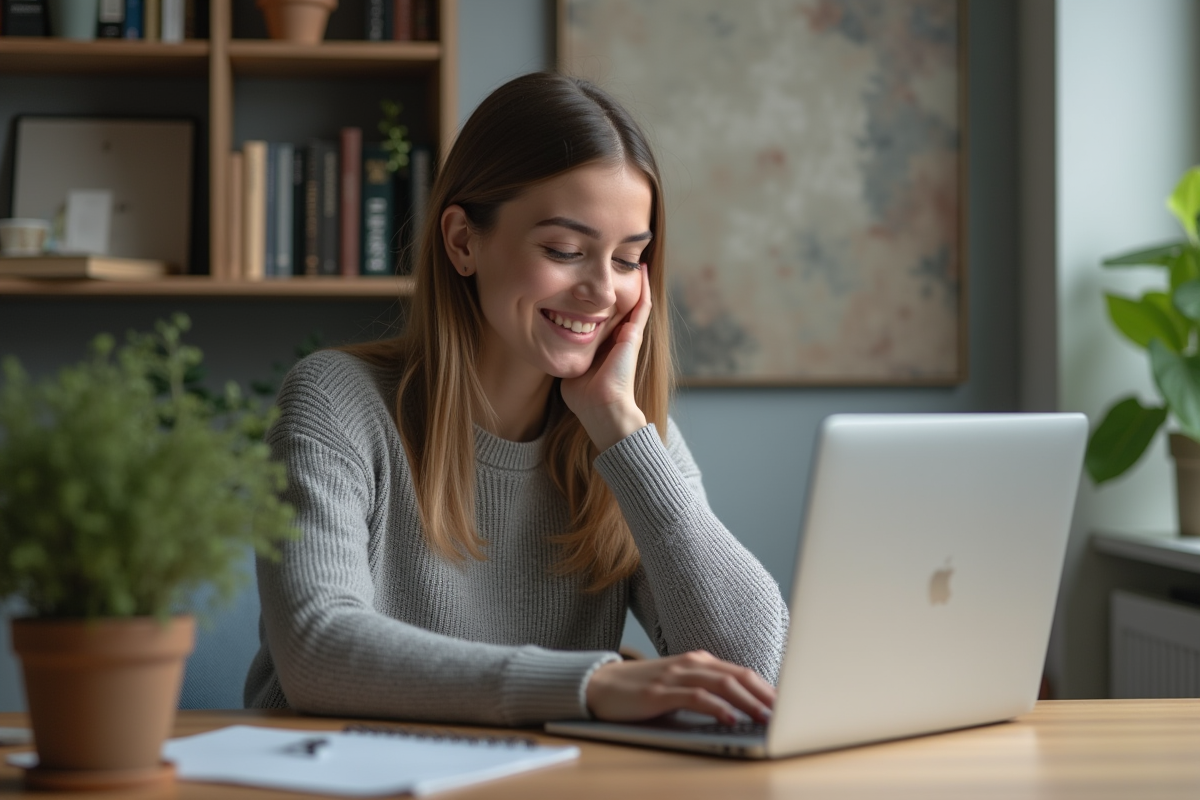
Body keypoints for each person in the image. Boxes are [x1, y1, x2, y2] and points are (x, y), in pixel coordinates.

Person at [245, 71, 789, 727]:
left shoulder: (629, 442)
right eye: (565, 250)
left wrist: (620, 428)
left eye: (626, 259)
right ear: (462, 241)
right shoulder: (337, 402)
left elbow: (756, 668)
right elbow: (316, 649)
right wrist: (589, 685)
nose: (600, 290)